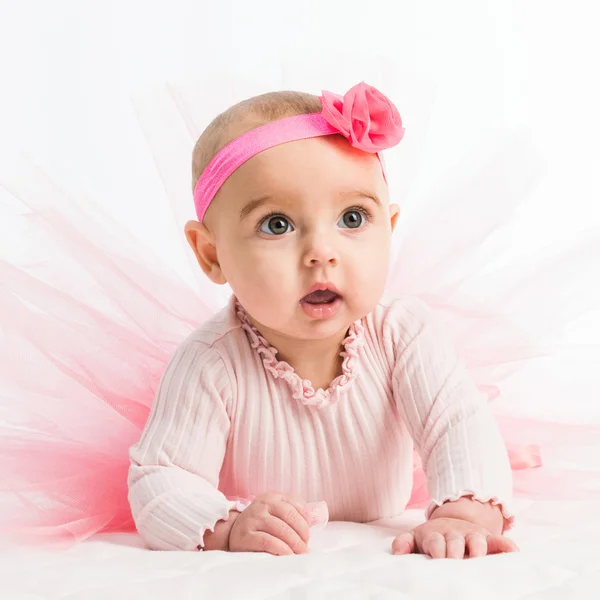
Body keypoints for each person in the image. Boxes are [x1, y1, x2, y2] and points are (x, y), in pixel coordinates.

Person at [127, 82, 517, 559]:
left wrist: (464, 513)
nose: (321, 254)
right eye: (277, 224)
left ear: (388, 231)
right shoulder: (211, 363)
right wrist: (226, 526)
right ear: (212, 255)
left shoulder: (401, 333)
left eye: (353, 218)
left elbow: (456, 424)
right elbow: (161, 478)